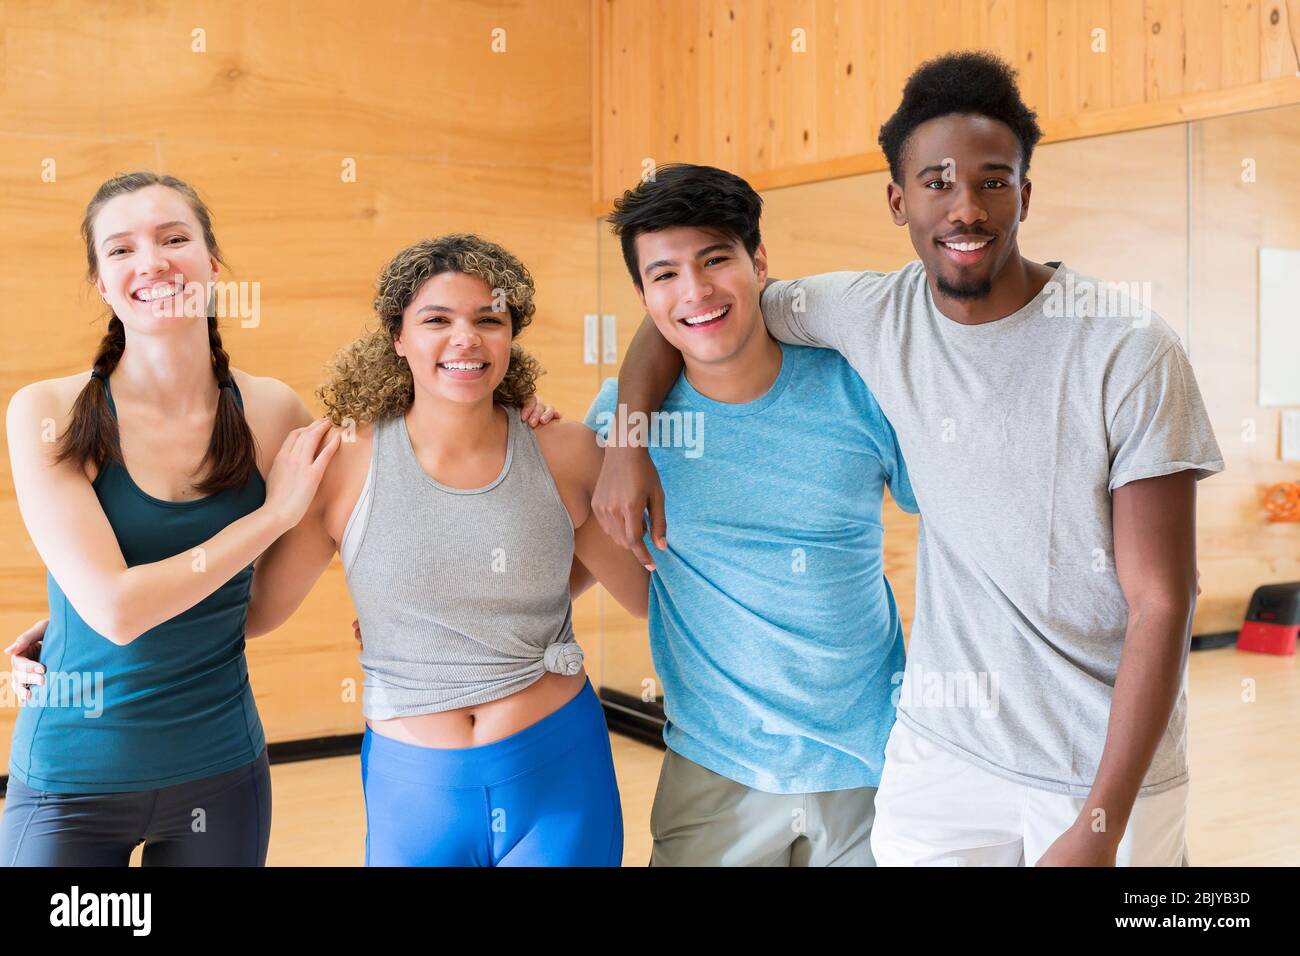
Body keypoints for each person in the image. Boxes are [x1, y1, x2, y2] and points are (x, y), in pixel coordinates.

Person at [595, 52, 1223, 866]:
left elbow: (1164, 601)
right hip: (941, 758)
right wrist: (628, 437)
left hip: (1089, 764)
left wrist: (1100, 824)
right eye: (936, 182)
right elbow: (689, 311)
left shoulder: (1128, 350)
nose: (965, 207)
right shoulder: (867, 313)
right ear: (898, 199)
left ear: (1026, 192)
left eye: (993, 181)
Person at [224, 233, 648, 866]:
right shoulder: (341, 464)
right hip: (414, 788)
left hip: (558, 768)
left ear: (511, 335)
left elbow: (640, 594)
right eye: (437, 320)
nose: (466, 337)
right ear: (398, 338)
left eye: (489, 320)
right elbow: (254, 614)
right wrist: (73, 628)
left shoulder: (565, 452)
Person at [0, 171, 341, 866]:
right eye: (121, 249)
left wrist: (517, 410)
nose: (151, 261)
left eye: (173, 238)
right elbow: (117, 613)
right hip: (71, 781)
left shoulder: (273, 412)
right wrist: (273, 516)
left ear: (213, 266)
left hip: (220, 772)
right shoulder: (46, 412)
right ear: (103, 284)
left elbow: (257, 609)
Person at [585, 163, 916, 866]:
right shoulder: (622, 423)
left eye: (715, 260)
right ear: (644, 294)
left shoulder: (858, 388)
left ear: (758, 261)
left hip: (872, 763)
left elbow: (963, 521)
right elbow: (556, 529)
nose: (696, 291)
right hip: (715, 770)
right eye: (665, 274)